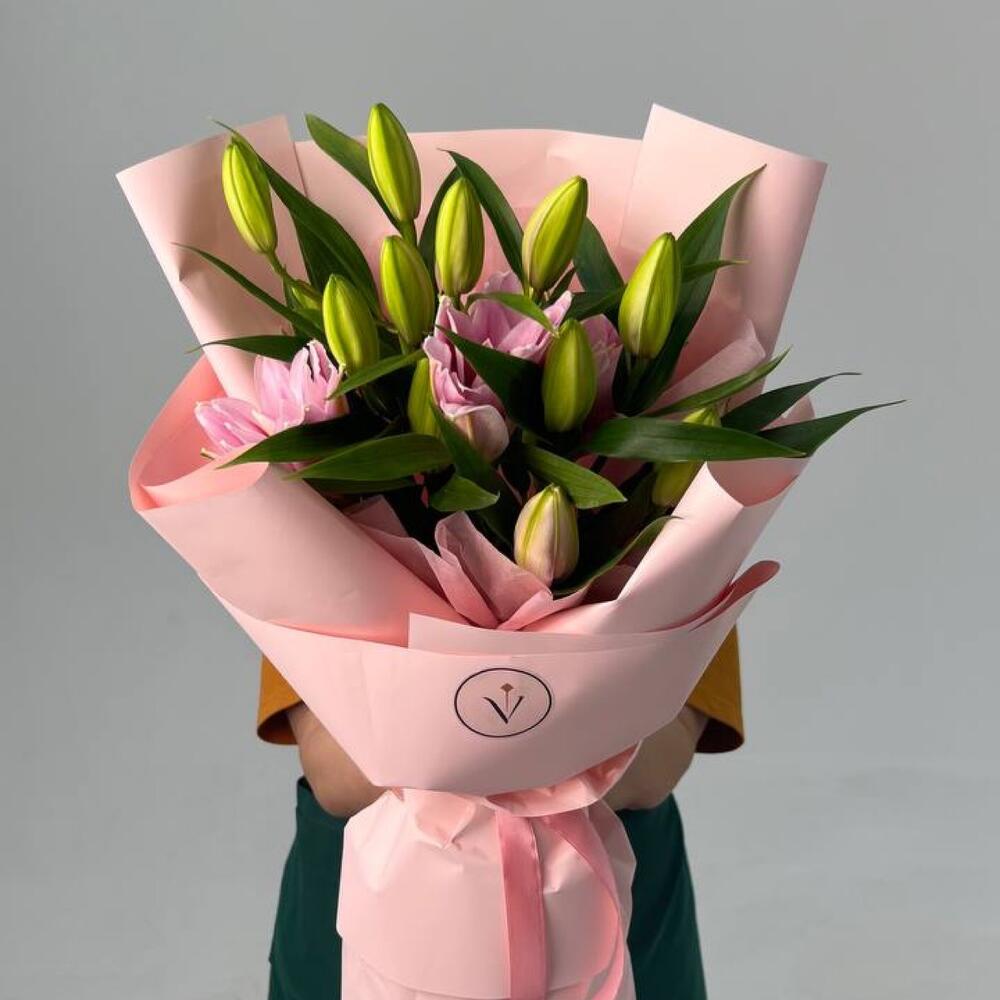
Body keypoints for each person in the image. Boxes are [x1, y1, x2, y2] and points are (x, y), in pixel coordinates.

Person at [259, 630, 744, 999]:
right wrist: (540, 750)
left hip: (614, 889)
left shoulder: (680, 526)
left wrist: (464, 748)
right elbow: (334, 766)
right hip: (368, 877)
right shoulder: (307, 527)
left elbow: (666, 748)